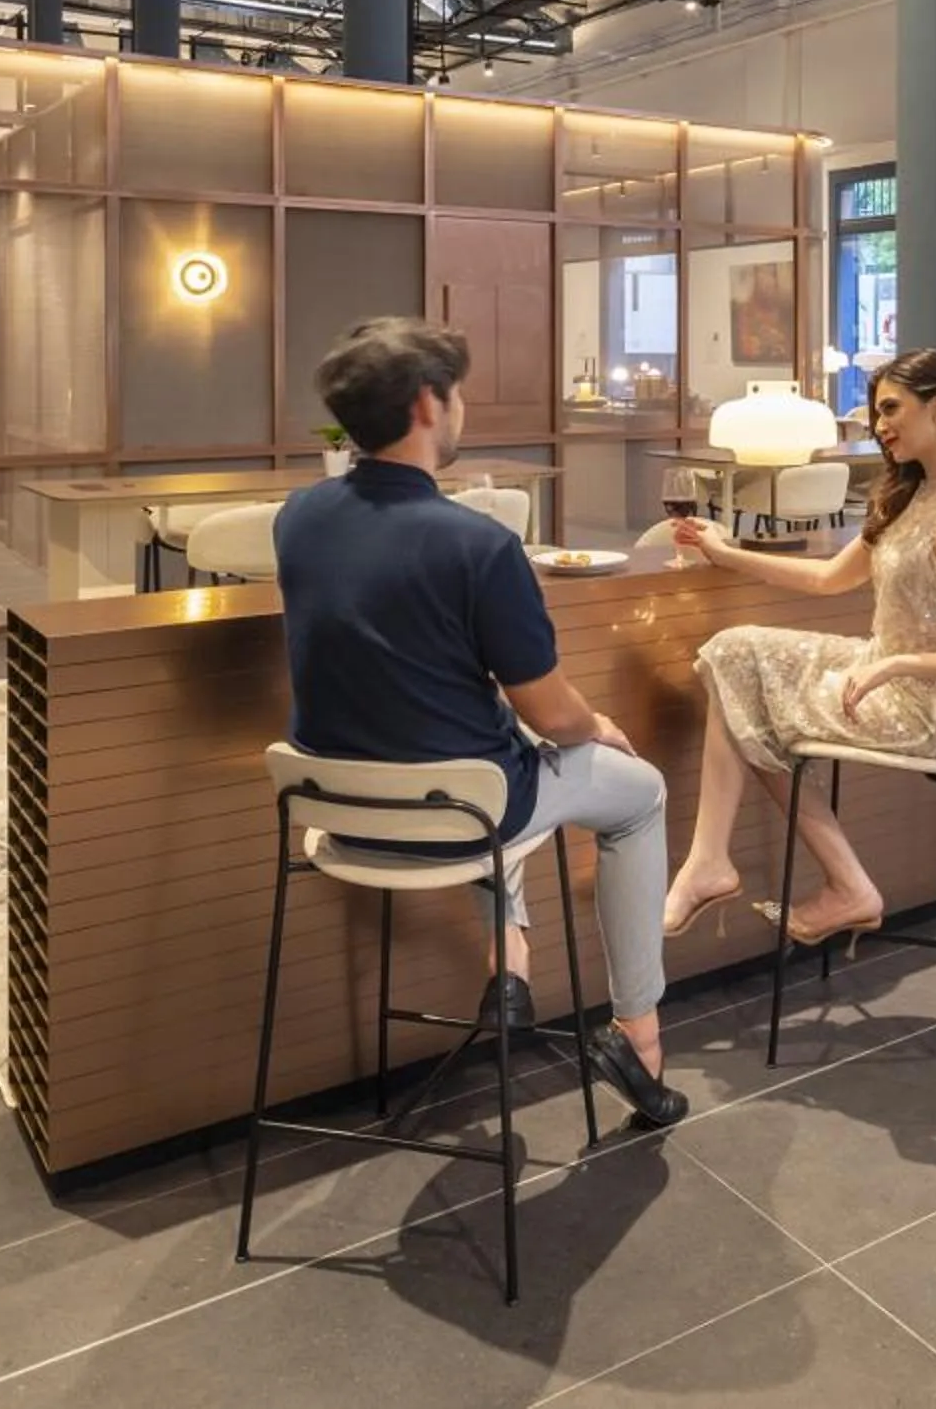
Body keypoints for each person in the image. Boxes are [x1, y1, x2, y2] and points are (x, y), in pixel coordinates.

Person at [276, 318, 687, 1128]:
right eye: (457, 393)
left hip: (334, 810)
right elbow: (549, 708)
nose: (461, 407)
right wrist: (592, 723)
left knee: (481, 752)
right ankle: (639, 1038)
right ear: (430, 404)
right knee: (633, 794)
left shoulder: (299, 517)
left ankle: (511, 963)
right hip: (458, 820)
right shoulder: (479, 544)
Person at [662, 349, 936, 946]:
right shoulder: (913, 493)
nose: (879, 425)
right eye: (875, 413)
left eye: (891, 409)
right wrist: (725, 552)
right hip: (875, 669)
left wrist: (901, 663)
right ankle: (728, 862)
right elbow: (828, 579)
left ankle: (829, 880)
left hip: (922, 706)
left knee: (752, 702)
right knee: (733, 652)